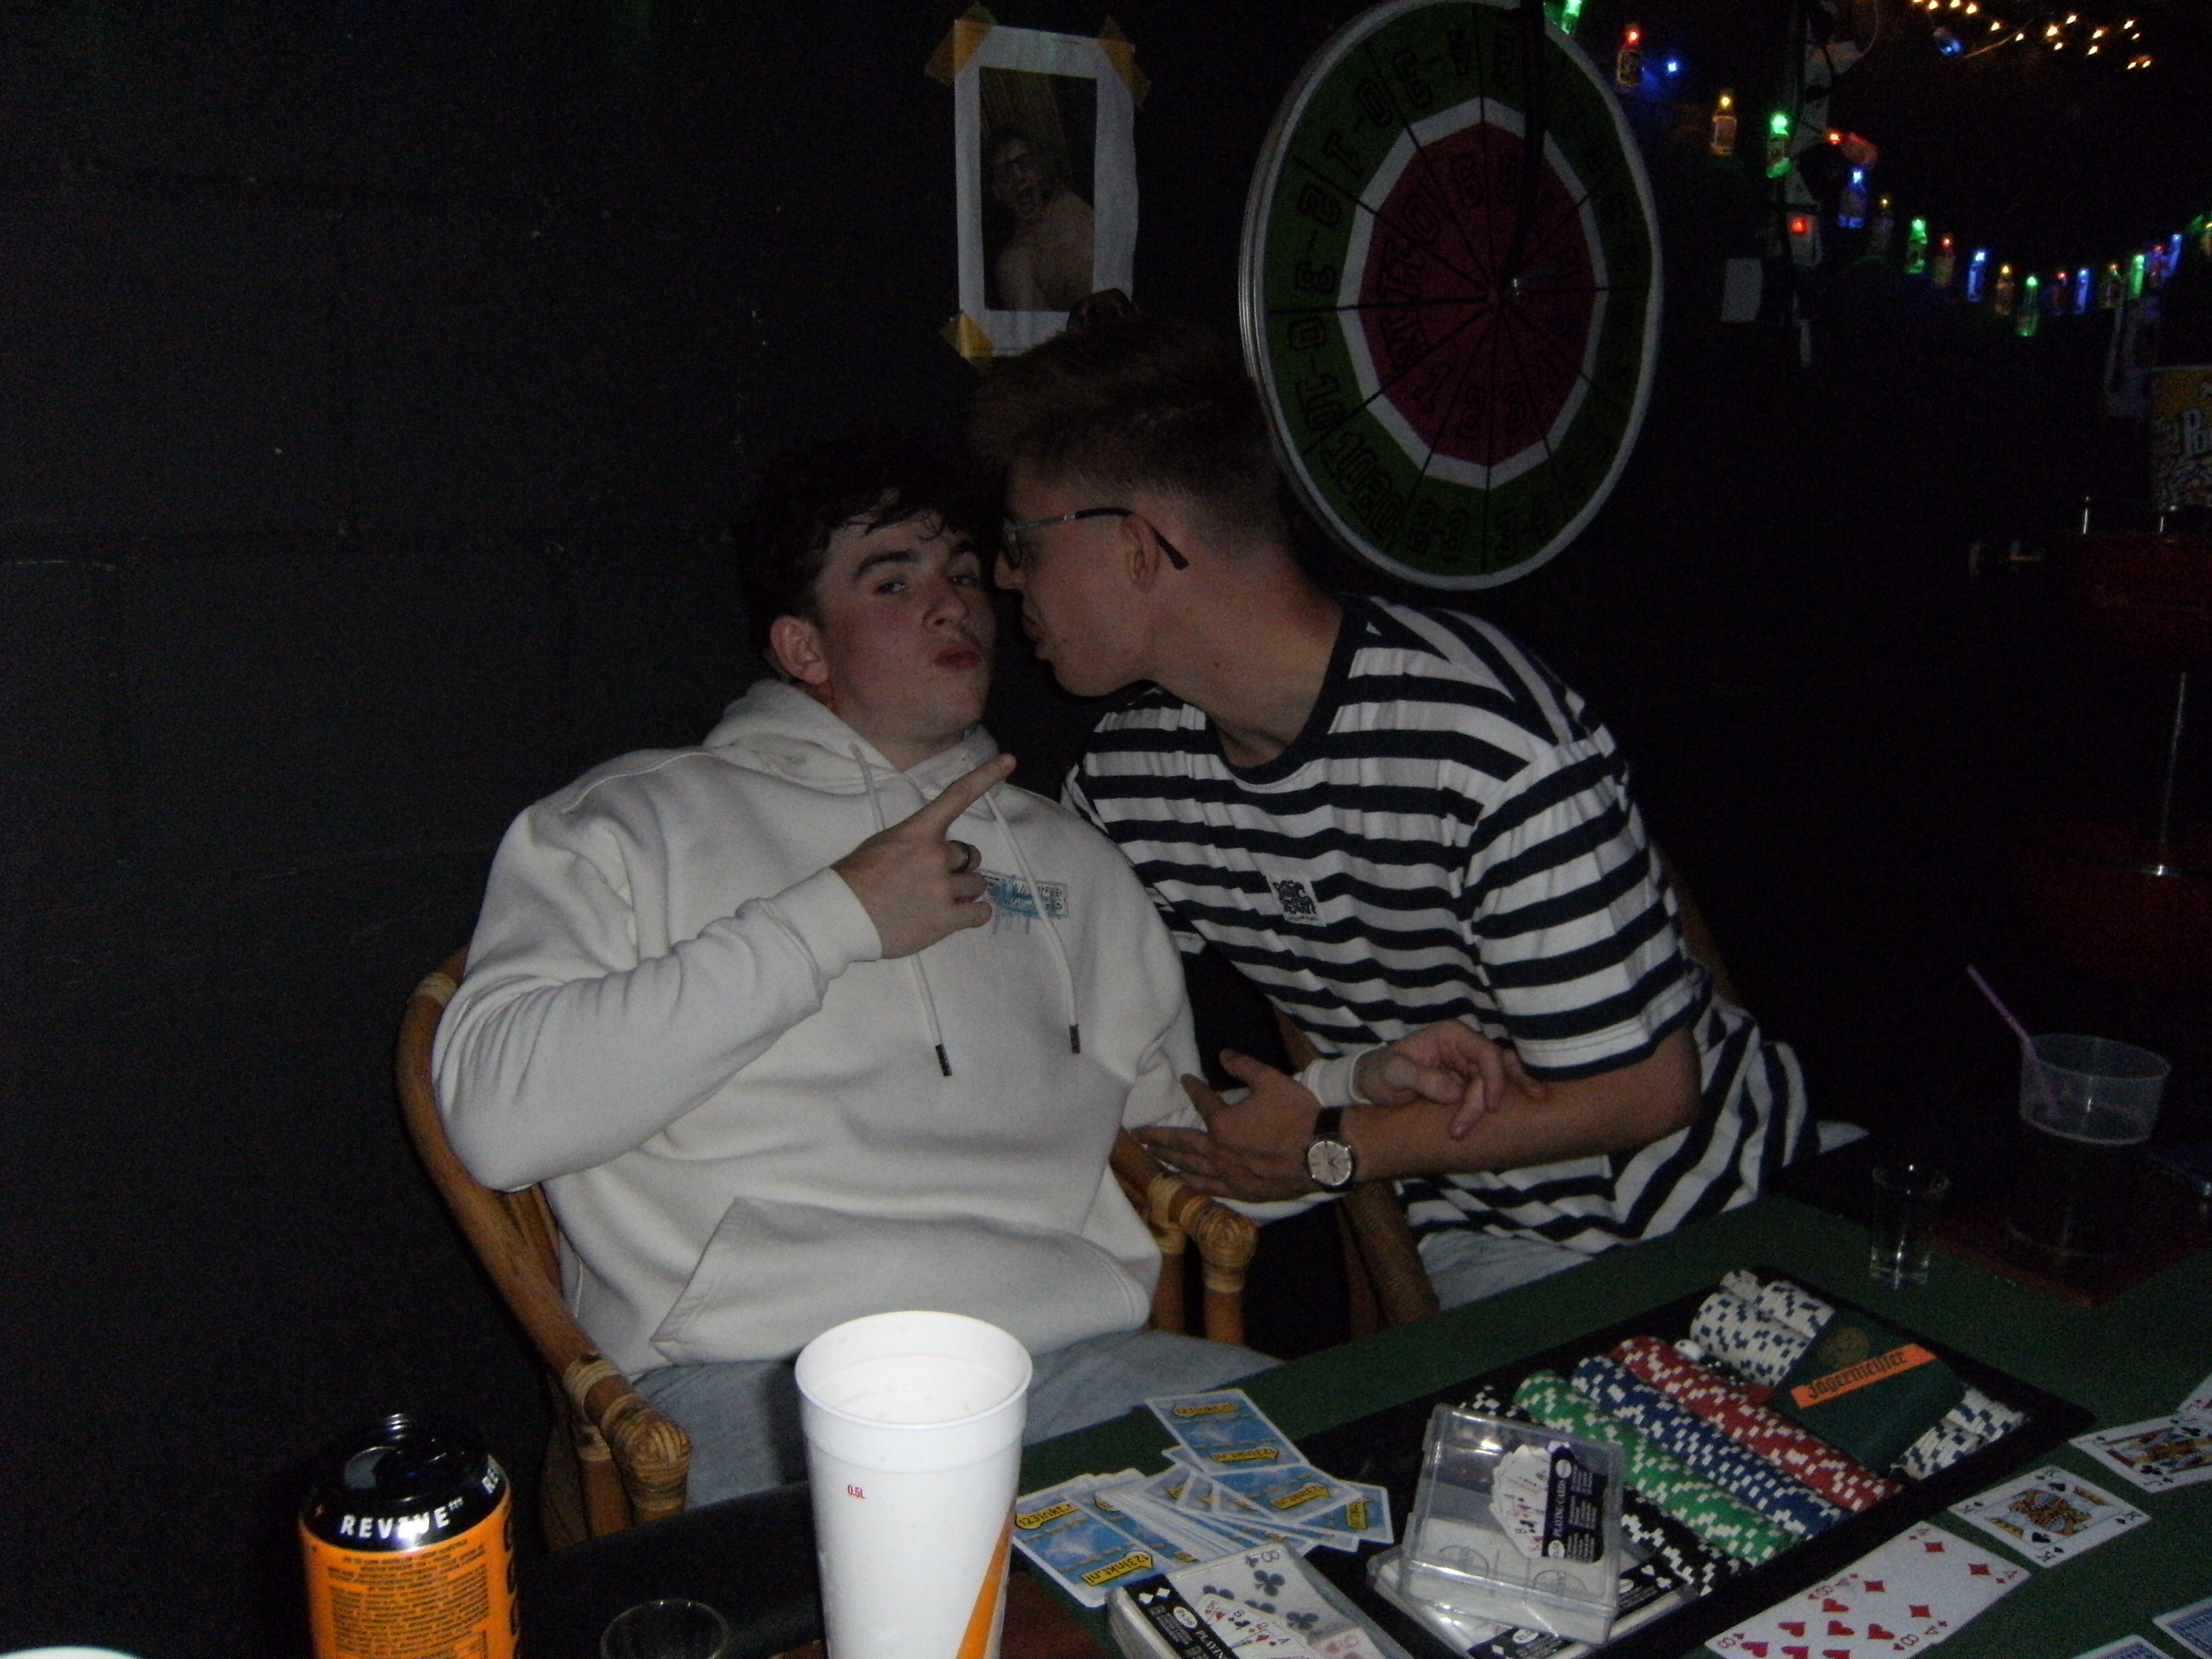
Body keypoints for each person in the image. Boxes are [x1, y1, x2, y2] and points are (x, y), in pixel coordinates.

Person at [432, 430, 1284, 1504]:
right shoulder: (631, 823)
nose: (951, 605)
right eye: (893, 581)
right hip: (758, 1375)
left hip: (1064, 1361)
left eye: (964, 574)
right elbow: (498, 1122)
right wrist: (834, 919)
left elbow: (1181, 1148)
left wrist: (1340, 1118)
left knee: (1337, 1478)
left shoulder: (1071, 860)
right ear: (804, 649)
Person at [968, 316, 1813, 1309]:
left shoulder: (1482, 742)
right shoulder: (1130, 785)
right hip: (1484, 1243)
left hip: (1722, 1212)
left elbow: (1647, 1093)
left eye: (1023, 541)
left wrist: (1331, 1147)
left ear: (1138, 547)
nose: (1003, 576)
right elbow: (1048, 1005)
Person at [986, 130, 1095, 312]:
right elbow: (1035, 325)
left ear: (1038, 170)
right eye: (1005, 173)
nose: (1018, 176)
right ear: (997, 190)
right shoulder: (1015, 263)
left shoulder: (1072, 205)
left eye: (1024, 163)